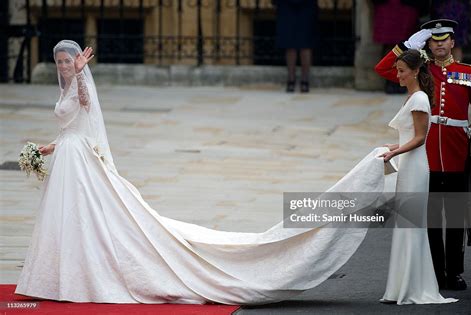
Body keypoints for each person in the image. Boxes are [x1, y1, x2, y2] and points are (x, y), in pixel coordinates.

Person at [14, 41, 399, 304]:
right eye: (62, 63)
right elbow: (73, 126)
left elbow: (84, 105)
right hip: (69, 156)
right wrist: (50, 146)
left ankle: (84, 275)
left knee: (93, 218)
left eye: (69, 62)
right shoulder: (62, 89)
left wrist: (82, 75)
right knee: (72, 220)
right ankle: (62, 274)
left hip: (81, 165)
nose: (65, 66)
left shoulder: (78, 84)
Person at [374, 19, 471, 291]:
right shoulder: (422, 72)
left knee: (454, 217)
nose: (440, 44)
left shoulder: (467, 73)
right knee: (430, 218)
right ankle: (435, 271)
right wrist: (405, 46)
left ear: (453, 42)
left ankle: (453, 272)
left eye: (445, 39)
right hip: (426, 154)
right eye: (434, 40)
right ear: (428, 44)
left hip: (455, 153)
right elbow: (383, 69)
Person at [377, 49, 456, 304]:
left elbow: (420, 139)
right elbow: (409, 135)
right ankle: (401, 286)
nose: (397, 75)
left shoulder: (420, 99)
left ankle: (413, 287)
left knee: (412, 226)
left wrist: (396, 152)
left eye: (401, 71)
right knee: (405, 225)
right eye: (398, 70)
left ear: (415, 71)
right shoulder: (412, 97)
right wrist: (393, 147)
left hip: (415, 166)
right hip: (408, 163)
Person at [273, 0, 316, 93]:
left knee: (305, 42)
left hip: (307, 5)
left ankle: (305, 79)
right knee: (289, 42)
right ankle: (291, 79)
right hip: (286, 5)